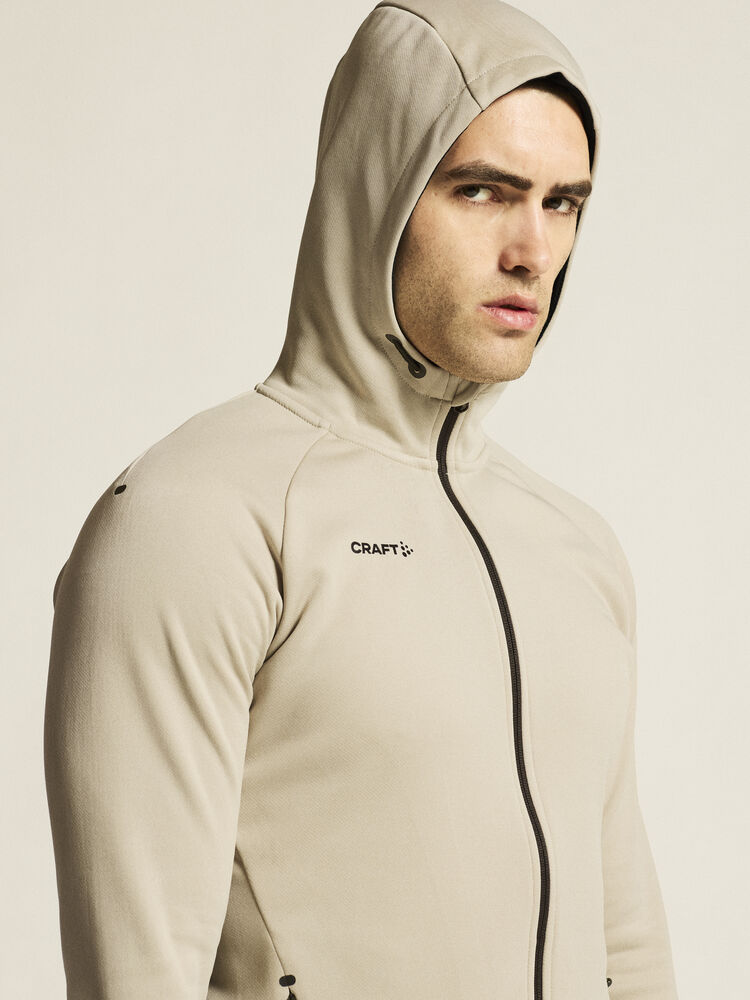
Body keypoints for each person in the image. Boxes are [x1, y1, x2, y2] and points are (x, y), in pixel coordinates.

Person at [43, 1, 680, 998]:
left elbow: (628, 948)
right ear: (375, 187)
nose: (532, 249)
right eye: (482, 190)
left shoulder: (575, 547)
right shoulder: (196, 516)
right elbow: (138, 973)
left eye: (563, 203)